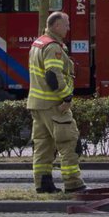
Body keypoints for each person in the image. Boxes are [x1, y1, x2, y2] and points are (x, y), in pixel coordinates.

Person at [28, 10, 84, 195]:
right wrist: (67, 97)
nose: (69, 28)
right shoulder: (53, 48)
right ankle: (73, 184)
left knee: (43, 147)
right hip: (54, 106)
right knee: (69, 144)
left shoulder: (38, 44)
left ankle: (43, 184)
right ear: (57, 26)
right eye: (66, 25)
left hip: (37, 105)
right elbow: (53, 76)